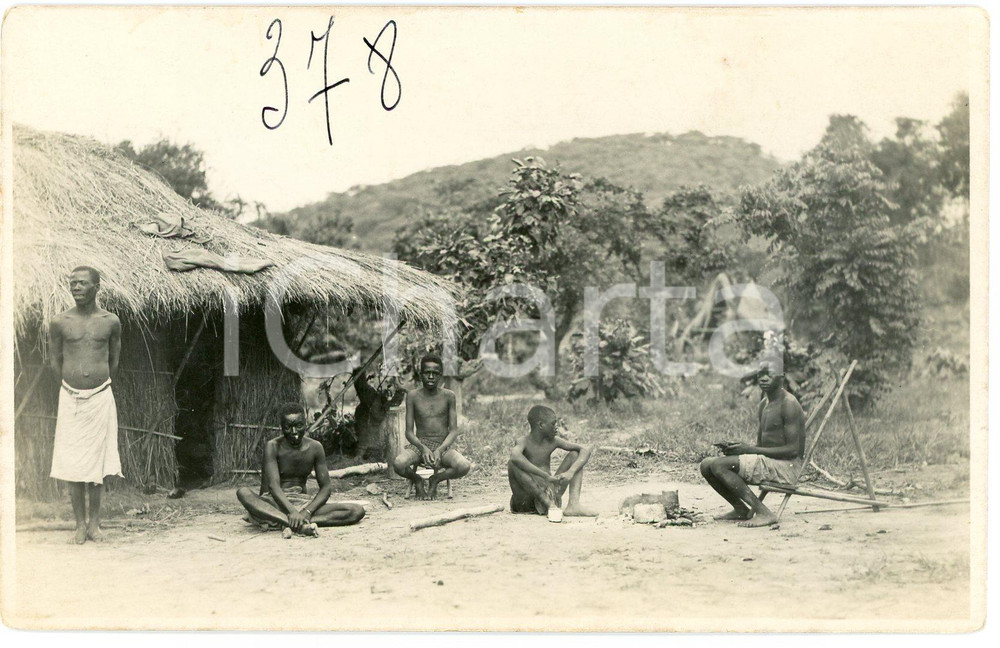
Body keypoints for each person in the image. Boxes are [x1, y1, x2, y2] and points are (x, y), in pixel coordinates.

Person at [48, 266, 123, 544]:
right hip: (70, 397)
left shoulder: (111, 322)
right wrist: (73, 385)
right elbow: (55, 360)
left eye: (82, 283)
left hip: (100, 396)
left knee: (98, 462)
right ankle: (79, 525)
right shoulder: (60, 321)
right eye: (72, 283)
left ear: (96, 287)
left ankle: (95, 525)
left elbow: (113, 360)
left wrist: (96, 384)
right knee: (72, 461)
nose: (76, 287)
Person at [699, 359, 805, 528]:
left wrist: (748, 449)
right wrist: (738, 450)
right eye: (760, 374)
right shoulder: (764, 404)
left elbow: (793, 451)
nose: (764, 378)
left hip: (787, 467)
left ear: (782, 377)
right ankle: (740, 509)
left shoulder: (789, 404)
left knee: (719, 465)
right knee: (706, 464)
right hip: (769, 462)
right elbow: (760, 446)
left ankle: (764, 512)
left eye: (769, 374)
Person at [237, 402, 365, 534]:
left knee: (356, 511)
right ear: (281, 427)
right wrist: (292, 512)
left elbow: (326, 487)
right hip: (275, 504)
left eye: (299, 426)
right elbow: (273, 486)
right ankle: (297, 525)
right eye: (288, 427)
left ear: (305, 423)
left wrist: (306, 511)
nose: (294, 432)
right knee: (243, 492)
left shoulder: (315, 447)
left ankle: (289, 521)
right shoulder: (273, 446)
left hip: (301, 502)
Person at [391, 354, 472, 500]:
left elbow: (454, 430)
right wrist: (422, 448)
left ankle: (436, 479)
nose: (431, 377)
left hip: (443, 446)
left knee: (464, 465)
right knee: (398, 463)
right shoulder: (413, 396)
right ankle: (417, 480)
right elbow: (409, 432)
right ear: (421, 374)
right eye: (427, 373)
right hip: (419, 446)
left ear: (440, 376)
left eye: (435, 373)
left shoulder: (449, 396)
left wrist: (440, 450)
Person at [508, 405, 598, 518]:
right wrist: (545, 476)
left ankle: (573, 505)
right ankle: (548, 504)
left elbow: (585, 449)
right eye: (553, 424)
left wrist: (570, 472)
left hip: (550, 495)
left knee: (575, 455)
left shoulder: (553, 441)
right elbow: (514, 457)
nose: (556, 427)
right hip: (526, 502)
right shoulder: (523, 441)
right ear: (541, 425)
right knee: (513, 464)